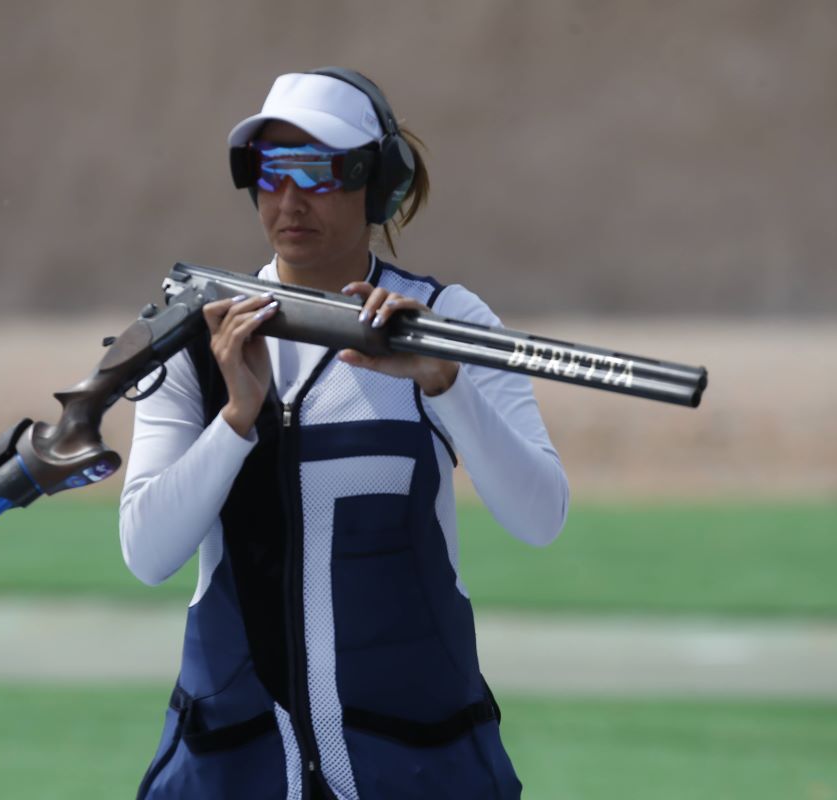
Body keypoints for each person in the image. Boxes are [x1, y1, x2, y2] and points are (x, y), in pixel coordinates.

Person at [120, 68, 569, 800]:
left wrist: (444, 385)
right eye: (270, 171)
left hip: (416, 763)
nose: (290, 200)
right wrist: (237, 418)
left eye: (320, 172)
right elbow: (146, 553)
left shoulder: (450, 319)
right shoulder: (194, 334)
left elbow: (541, 516)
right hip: (235, 765)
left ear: (379, 183)